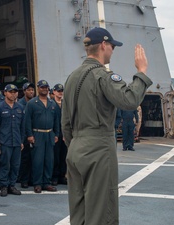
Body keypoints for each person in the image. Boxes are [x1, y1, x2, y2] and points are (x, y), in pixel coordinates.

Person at [61, 27, 152, 225]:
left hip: (76, 148)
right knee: (102, 213)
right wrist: (141, 72)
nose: (113, 50)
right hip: (98, 148)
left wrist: (77, 144)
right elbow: (129, 100)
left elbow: (65, 123)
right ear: (103, 45)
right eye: (112, 46)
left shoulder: (71, 78)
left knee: (79, 213)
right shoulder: (103, 75)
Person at [24, 80, 59, 193]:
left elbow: (56, 121)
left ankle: (46, 182)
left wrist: (56, 134)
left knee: (49, 160)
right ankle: (37, 183)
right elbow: (27, 120)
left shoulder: (52, 103)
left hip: (49, 134)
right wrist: (29, 135)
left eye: (46, 87)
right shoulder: (32, 103)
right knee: (37, 160)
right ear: (38, 88)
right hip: (37, 134)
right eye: (42, 87)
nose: (44, 89)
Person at [0, 84, 24, 197]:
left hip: (16, 141)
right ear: (5, 93)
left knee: (15, 165)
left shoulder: (20, 108)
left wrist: (21, 141)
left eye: (15, 92)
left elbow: (22, 127)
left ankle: (12, 185)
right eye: (10, 92)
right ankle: (4, 186)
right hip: (4, 142)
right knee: (5, 165)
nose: (13, 94)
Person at [18, 82, 35, 188]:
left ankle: (32, 179)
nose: (31, 91)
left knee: (34, 157)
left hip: (34, 133)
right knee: (24, 158)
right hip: (24, 134)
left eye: (32, 89)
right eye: (28, 90)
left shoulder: (35, 102)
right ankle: (24, 179)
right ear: (24, 91)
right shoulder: (20, 104)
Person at [51, 83, 67, 185]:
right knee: (55, 156)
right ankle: (54, 176)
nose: (60, 93)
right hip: (55, 134)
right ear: (54, 92)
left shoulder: (66, 104)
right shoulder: (51, 104)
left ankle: (62, 175)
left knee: (64, 156)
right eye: (58, 91)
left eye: (61, 91)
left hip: (64, 134)